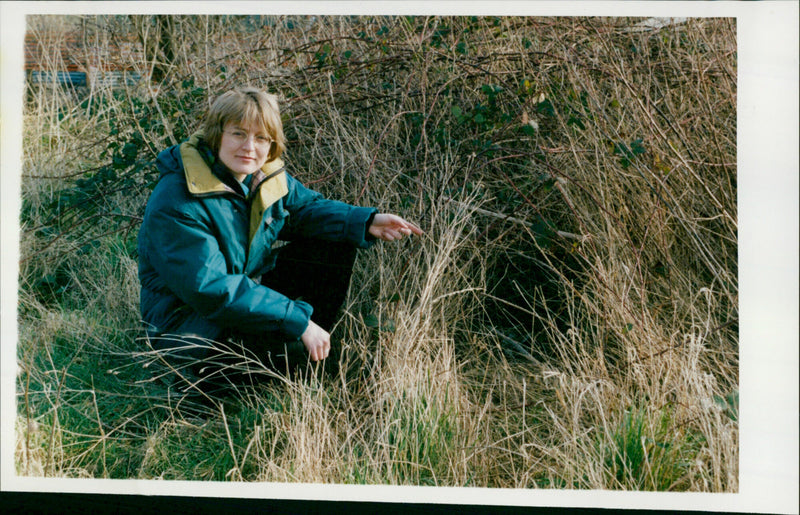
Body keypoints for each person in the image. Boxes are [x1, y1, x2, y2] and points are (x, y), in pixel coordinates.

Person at [137, 86, 422, 391]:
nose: (249, 147)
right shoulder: (177, 200)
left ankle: (305, 353)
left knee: (335, 246)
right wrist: (297, 320)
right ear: (216, 135)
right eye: (238, 134)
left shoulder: (263, 175)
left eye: (261, 138)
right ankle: (208, 384)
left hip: (239, 301)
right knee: (290, 350)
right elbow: (212, 289)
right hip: (188, 328)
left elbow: (305, 210)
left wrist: (365, 221)